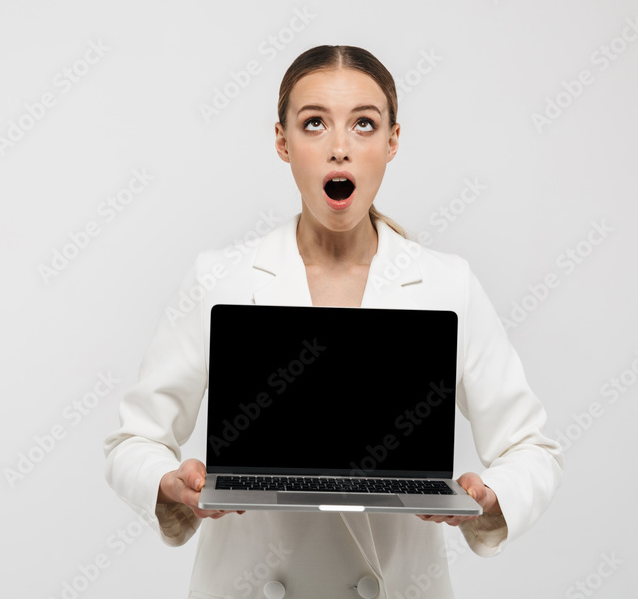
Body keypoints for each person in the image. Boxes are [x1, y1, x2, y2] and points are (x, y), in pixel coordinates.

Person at [103, 45, 563, 598]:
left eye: (364, 125)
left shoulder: (447, 284)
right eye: (314, 123)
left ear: (393, 142)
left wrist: (490, 494)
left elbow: (531, 450)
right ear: (282, 142)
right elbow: (134, 440)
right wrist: (168, 482)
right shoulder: (219, 277)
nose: (339, 149)